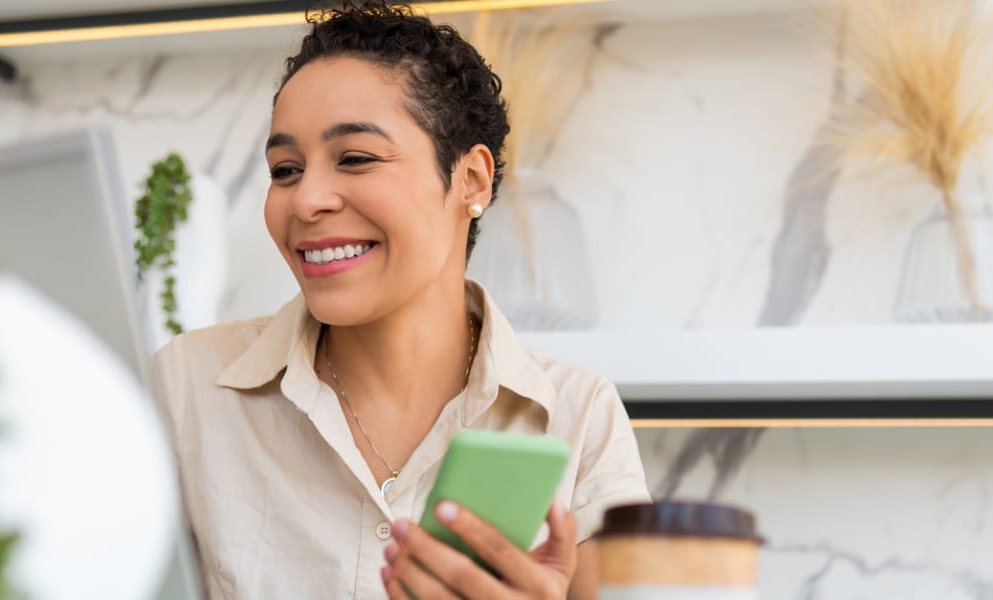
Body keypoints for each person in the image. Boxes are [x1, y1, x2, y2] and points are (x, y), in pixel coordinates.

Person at [151, 2, 649, 598]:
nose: (305, 199)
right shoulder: (185, 389)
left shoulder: (580, 417)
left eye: (355, 158)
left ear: (471, 181)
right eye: (285, 169)